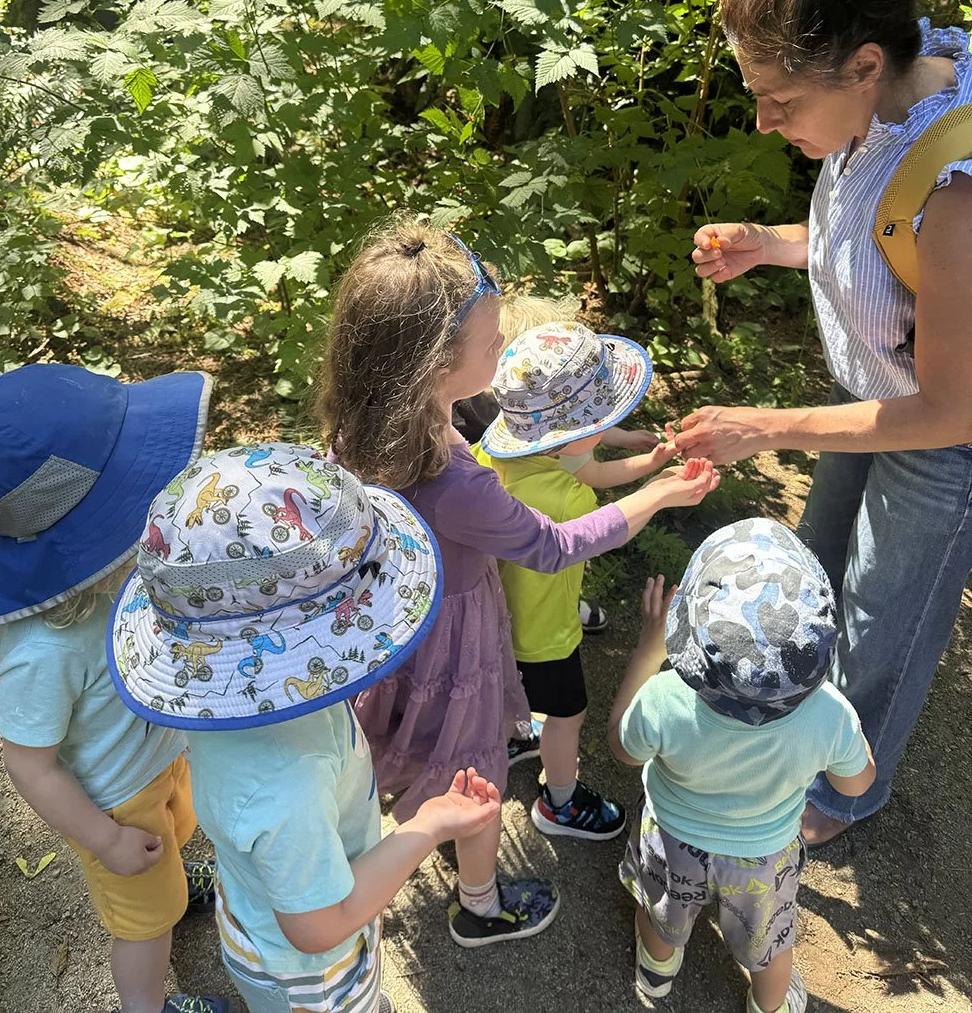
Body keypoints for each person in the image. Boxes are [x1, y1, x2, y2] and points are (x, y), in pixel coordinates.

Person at [316, 219, 720, 947]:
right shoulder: (451, 470)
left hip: (394, 619)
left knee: (424, 738)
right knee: (473, 770)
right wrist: (658, 494)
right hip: (453, 635)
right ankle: (480, 900)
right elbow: (552, 543)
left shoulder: (359, 428)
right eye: (492, 342)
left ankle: (429, 811)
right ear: (437, 363)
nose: (502, 352)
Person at [671, 0, 972, 846]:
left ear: (864, 64)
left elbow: (947, 407)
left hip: (934, 435)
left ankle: (842, 789)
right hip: (866, 396)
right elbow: (869, 250)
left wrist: (764, 426)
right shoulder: (880, 104)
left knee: (886, 612)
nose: (763, 121)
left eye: (779, 100)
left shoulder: (958, 199)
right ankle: (803, 721)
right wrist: (770, 244)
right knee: (821, 559)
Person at [109, 443, 502, 1013]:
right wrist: (429, 826)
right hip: (313, 977)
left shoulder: (223, 698)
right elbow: (319, 928)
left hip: (263, 913)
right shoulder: (286, 784)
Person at [0, 363, 226, 1013]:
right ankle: (147, 1004)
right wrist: (105, 839)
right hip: (114, 803)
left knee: (177, 829)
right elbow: (27, 762)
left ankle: (171, 876)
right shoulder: (44, 649)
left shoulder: (118, 571)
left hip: (159, 756)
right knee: (143, 924)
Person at [608, 519, 876, 1013]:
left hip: (672, 842)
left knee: (662, 914)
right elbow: (857, 782)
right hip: (764, 857)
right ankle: (768, 1005)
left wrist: (647, 653)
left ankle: (656, 974)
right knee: (768, 945)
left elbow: (623, 749)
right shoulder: (830, 714)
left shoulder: (666, 697)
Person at [473, 322, 677, 840]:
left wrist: (634, 447)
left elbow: (578, 449)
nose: (612, 421)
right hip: (542, 633)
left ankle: (514, 734)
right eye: (605, 417)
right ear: (571, 432)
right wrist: (659, 484)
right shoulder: (566, 501)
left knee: (503, 685)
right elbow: (602, 505)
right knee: (567, 714)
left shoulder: (492, 451)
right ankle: (559, 803)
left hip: (493, 615)